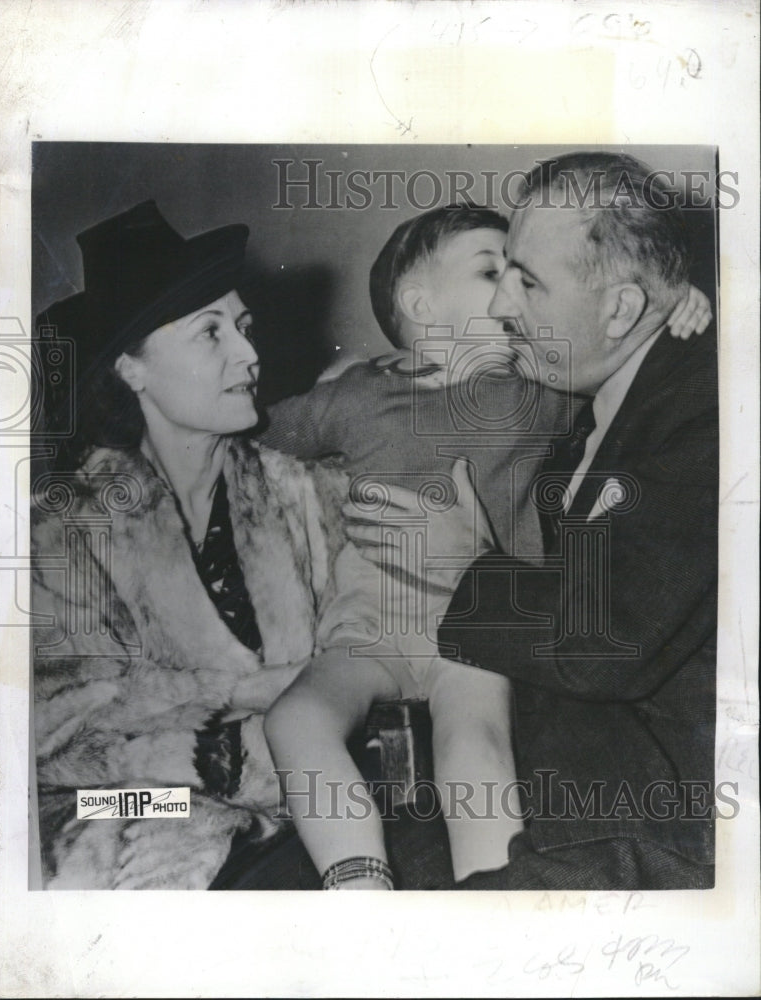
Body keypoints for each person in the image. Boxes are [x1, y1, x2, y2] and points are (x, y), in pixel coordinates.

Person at [263, 199, 713, 889]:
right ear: (418, 302)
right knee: (295, 719)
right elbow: (261, 436)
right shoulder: (355, 395)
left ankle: (493, 900)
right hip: (365, 625)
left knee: (475, 746)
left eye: (520, 275)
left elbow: (623, 365)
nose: (511, 293)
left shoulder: (534, 391)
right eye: (490, 270)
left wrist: (678, 308)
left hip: (472, 631)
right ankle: (356, 885)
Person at [31, 201, 357, 890]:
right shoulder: (59, 531)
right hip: (105, 810)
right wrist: (242, 725)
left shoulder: (310, 499)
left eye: (242, 327)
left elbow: (371, 681)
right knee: (151, 835)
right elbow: (49, 741)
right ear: (131, 369)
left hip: (299, 805)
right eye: (210, 334)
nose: (249, 355)